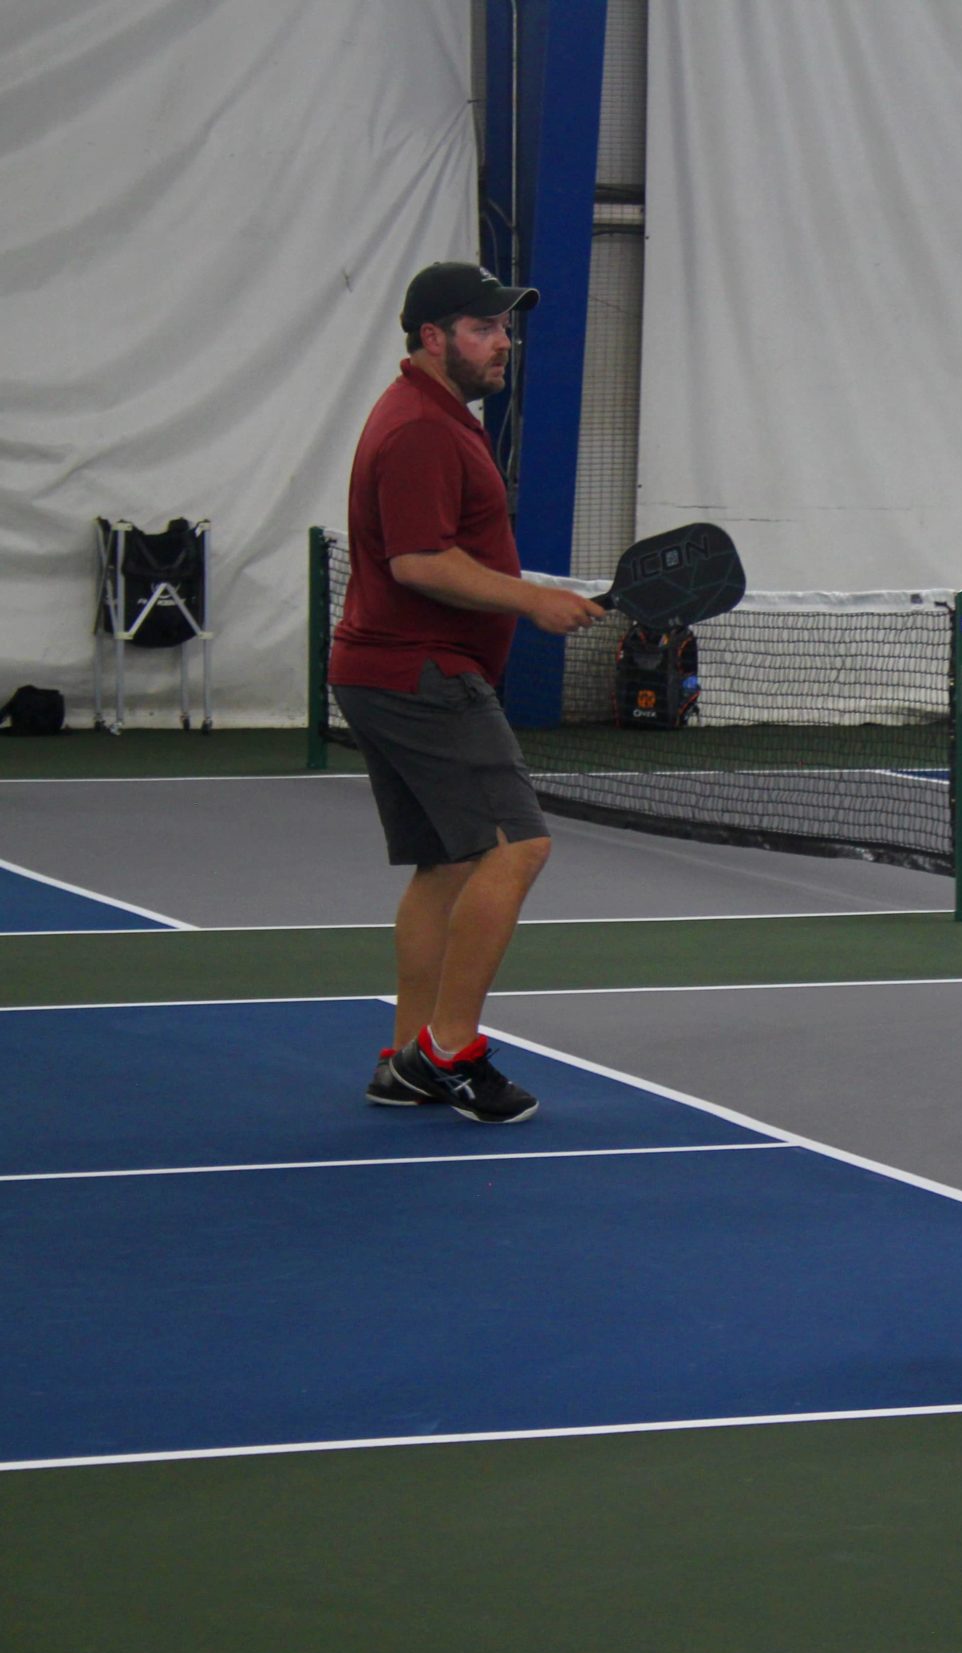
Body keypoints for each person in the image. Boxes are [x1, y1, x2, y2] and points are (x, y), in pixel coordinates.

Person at [328, 262, 604, 1118]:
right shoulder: (420, 428)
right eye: (485, 329)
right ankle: (449, 1048)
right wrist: (534, 601)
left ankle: (411, 1058)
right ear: (432, 338)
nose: (504, 344)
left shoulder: (437, 418)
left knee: (446, 864)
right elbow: (419, 561)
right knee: (516, 847)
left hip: (384, 667)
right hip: (422, 671)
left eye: (506, 329)